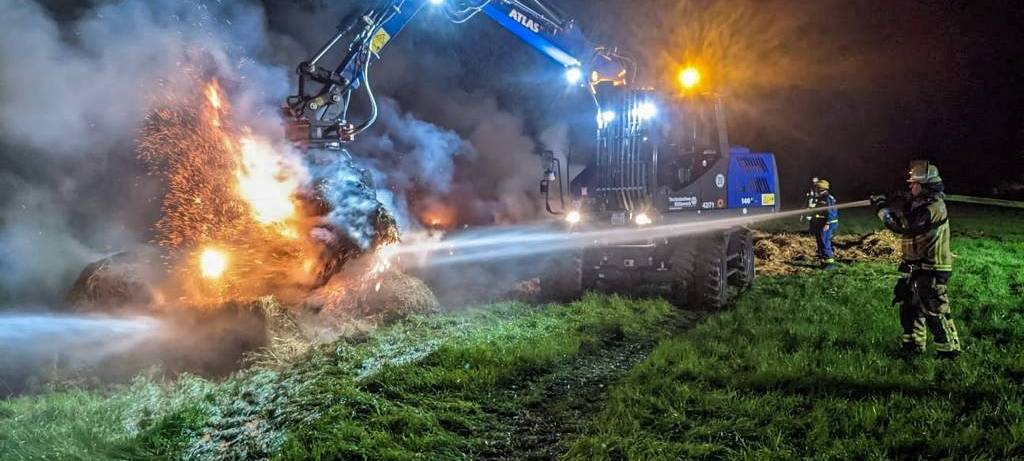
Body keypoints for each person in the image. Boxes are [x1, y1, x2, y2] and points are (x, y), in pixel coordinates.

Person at [870, 161, 961, 359]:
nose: (910, 187)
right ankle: (912, 346)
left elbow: (903, 225)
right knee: (909, 307)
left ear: (926, 186)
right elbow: (908, 212)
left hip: (932, 267)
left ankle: (949, 351)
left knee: (934, 309)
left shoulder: (934, 208)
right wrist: (896, 199)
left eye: (914, 184)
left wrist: (882, 209)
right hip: (914, 265)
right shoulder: (919, 204)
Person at [804, 178, 839, 269]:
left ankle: (830, 264)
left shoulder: (827, 199)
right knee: (821, 241)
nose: (815, 190)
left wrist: (827, 224)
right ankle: (824, 260)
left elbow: (831, 212)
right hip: (821, 223)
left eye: (817, 188)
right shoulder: (821, 198)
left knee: (825, 242)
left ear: (822, 189)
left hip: (827, 224)